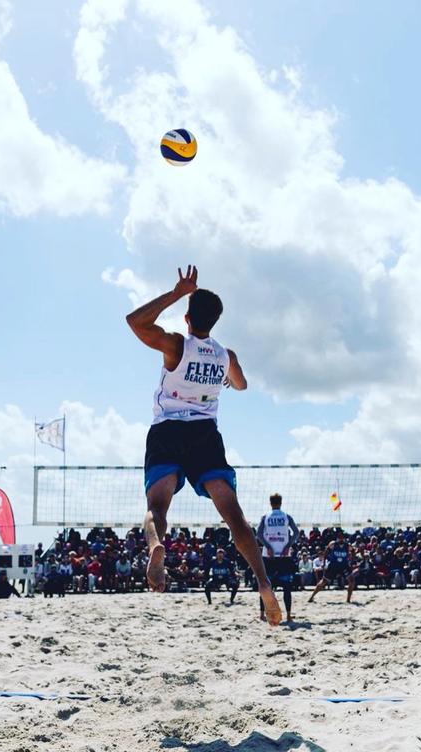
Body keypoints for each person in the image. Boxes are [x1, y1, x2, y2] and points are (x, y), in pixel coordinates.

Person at [126, 265, 282, 625]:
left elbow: (135, 321)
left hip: (167, 430)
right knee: (233, 515)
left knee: (157, 508)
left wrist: (176, 292)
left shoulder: (176, 345)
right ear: (215, 321)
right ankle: (262, 581)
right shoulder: (226, 356)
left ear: (187, 318)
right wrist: (224, 377)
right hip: (205, 435)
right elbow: (241, 384)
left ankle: (156, 546)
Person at [256, 493, 299, 622]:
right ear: (281, 503)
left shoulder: (265, 517)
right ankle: (289, 615)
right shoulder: (286, 516)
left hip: (268, 556)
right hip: (283, 555)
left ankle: (262, 614)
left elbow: (259, 534)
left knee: (265, 586)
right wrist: (288, 546)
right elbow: (296, 533)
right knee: (287, 587)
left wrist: (268, 546)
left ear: (270, 503)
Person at [308, 536, 352, 603]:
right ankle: (311, 597)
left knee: (352, 580)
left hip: (343, 566)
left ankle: (348, 600)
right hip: (333, 566)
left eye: (342, 537)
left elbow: (353, 551)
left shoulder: (347, 545)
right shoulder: (333, 544)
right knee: (323, 581)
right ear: (337, 538)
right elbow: (326, 553)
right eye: (340, 537)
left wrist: (351, 560)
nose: (341, 539)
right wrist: (324, 563)